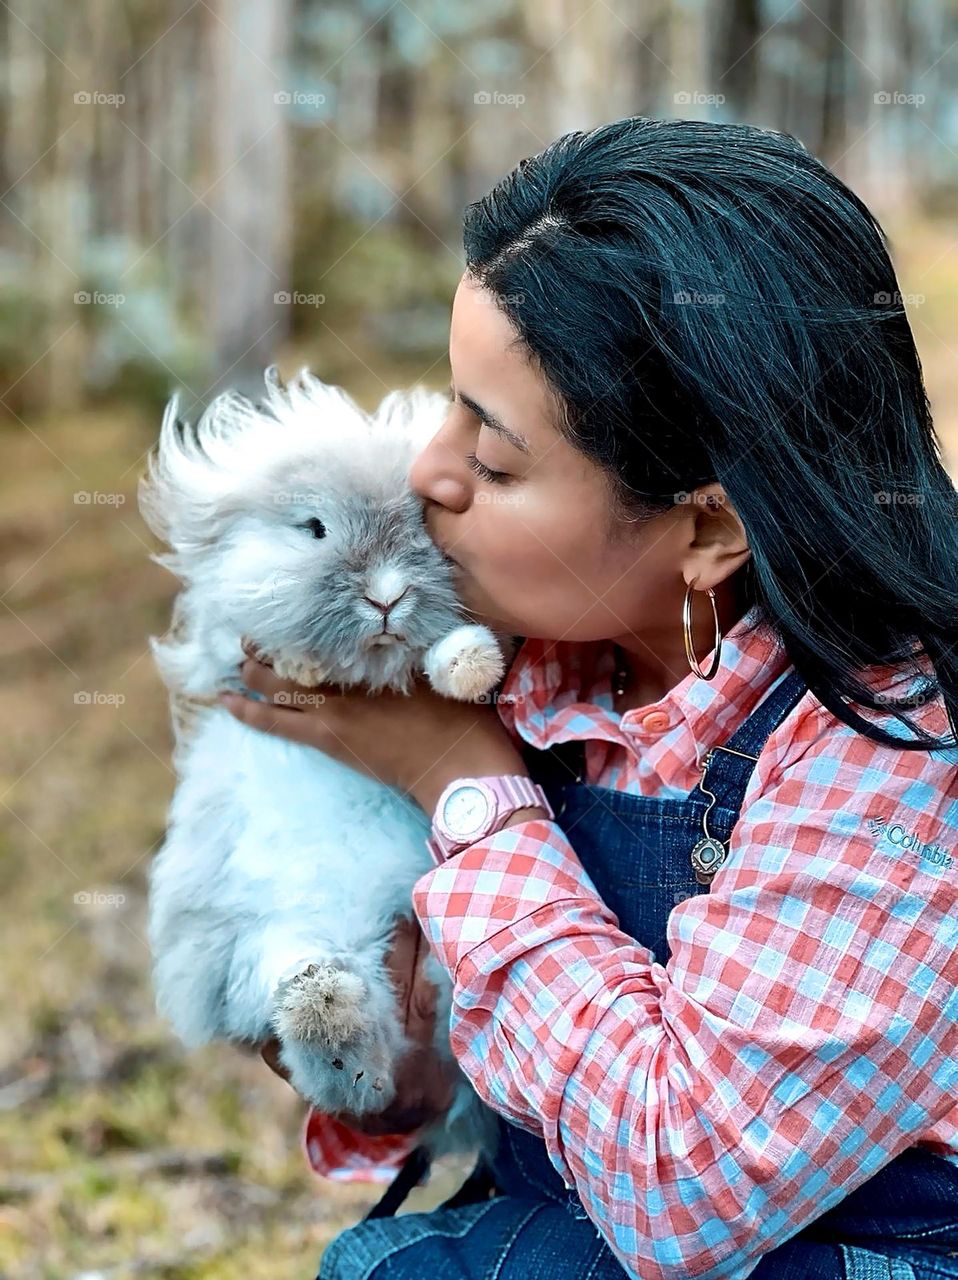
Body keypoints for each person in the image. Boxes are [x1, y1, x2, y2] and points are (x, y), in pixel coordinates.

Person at [219, 116, 958, 1279]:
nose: (429, 472)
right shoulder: (531, 658)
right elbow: (504, 1061)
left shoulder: (895, 751)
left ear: (707, 525)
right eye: (450, 401)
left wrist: (462, 785)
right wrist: (392, 1053)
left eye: (497, 460)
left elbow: (686, 1189)